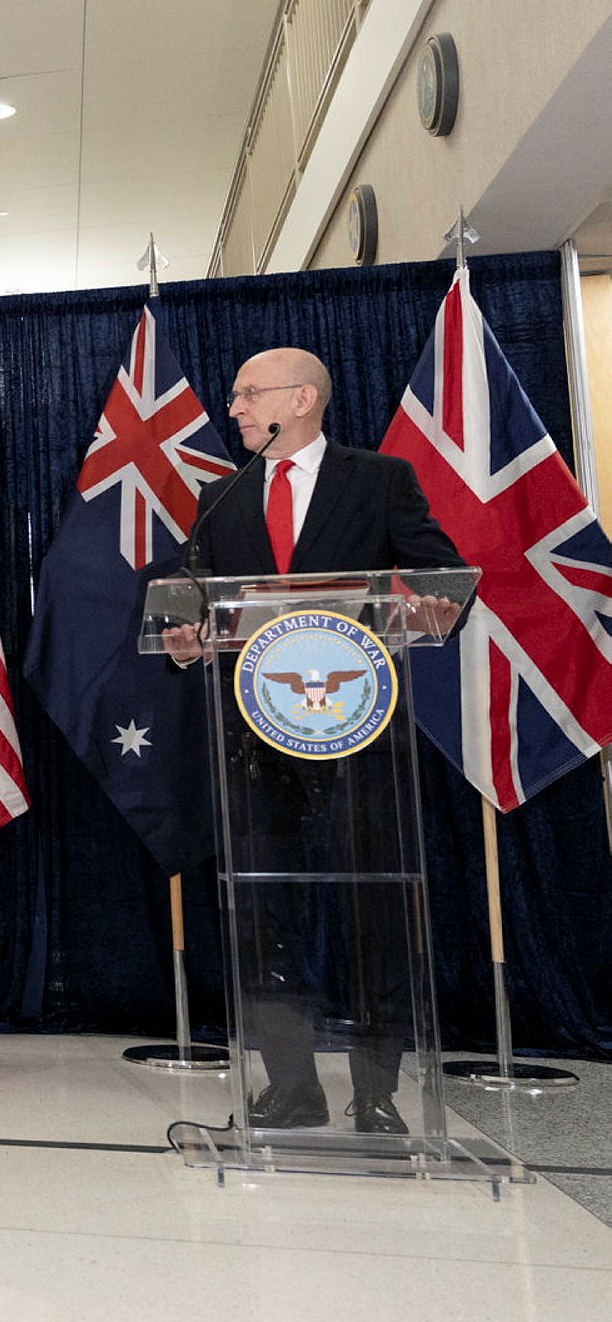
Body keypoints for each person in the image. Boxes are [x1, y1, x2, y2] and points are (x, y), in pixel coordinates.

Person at [164, 347, 461, 1138]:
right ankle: (291, 1083)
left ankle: (377, 1089)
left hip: (360, 730)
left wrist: (434, 611)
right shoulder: (220, 495)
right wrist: (184, 632)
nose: (232, 406)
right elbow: (187, 591)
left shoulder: (379, 479)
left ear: (300, 399)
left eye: (244, 393)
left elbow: (438, 577)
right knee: (265, 910)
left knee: (373, 908)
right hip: (255, 736)